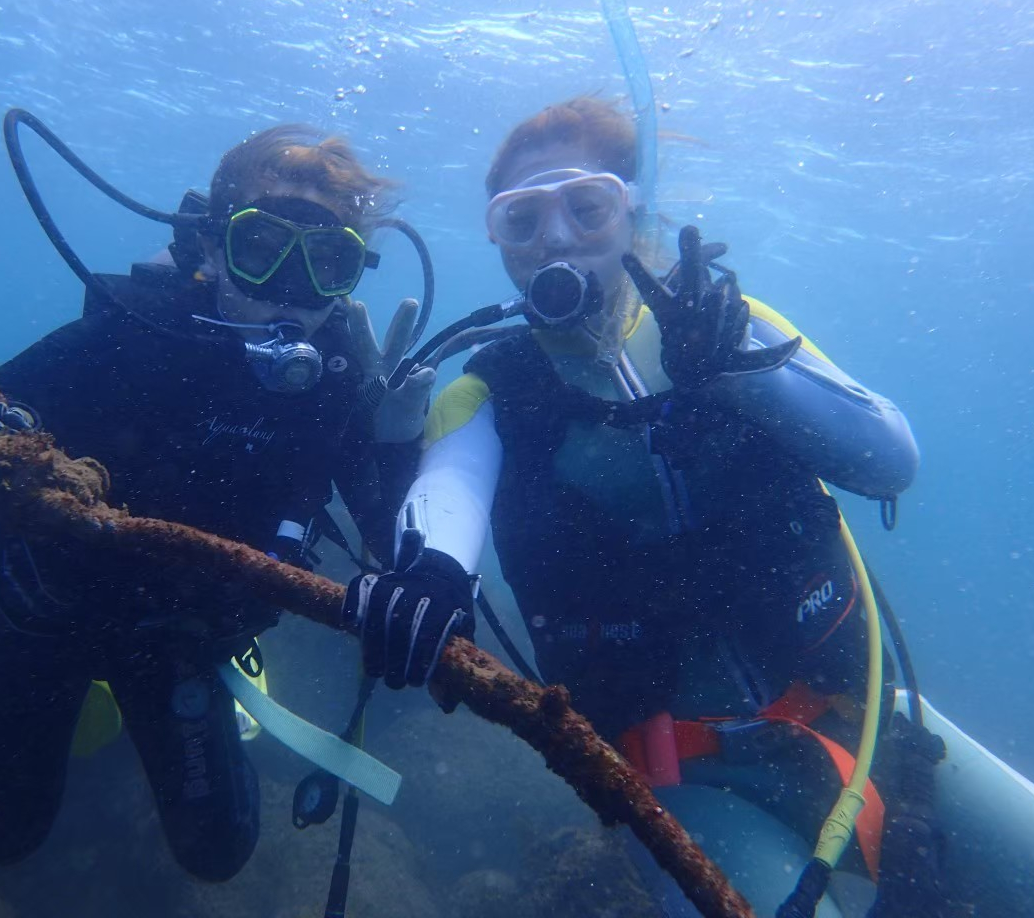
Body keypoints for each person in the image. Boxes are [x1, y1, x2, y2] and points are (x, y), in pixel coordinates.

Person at [344, 97, 940, 917]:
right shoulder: (488, 390)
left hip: (868, 712)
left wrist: (738, 371)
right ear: (501, 244)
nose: (555, 238)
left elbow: (890, 460)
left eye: (585, 208)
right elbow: (448, 489)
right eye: (523, 219)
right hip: (680, 774)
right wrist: (432, 573)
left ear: (632, 215)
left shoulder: (737, 329)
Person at [0, 124, 434, 881]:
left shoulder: (336, 389)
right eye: (260, 248)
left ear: (350, 277)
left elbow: (389, 543)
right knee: (3, 835)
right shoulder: (128, 333)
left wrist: (393, 442)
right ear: (210, 247)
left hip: (179, 642)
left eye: (326, 263)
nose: (289, 286)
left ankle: (118, 705)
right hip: (41, 614)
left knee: (218, 854)